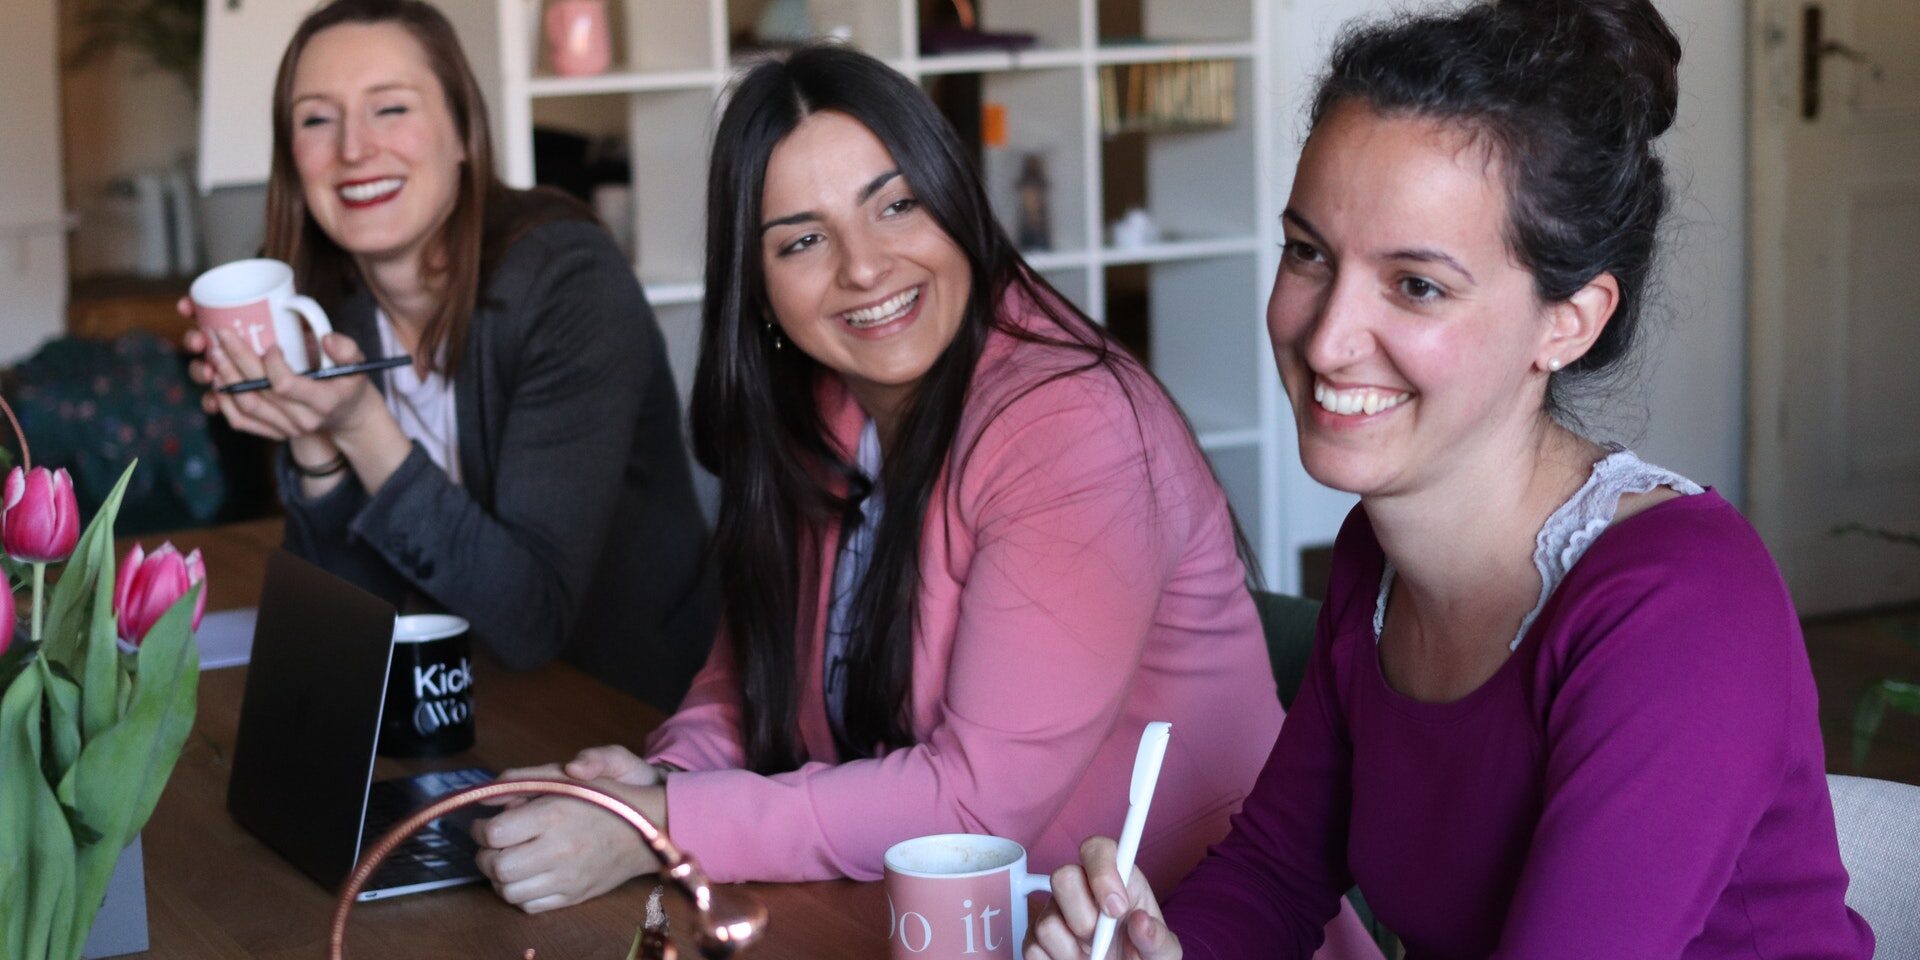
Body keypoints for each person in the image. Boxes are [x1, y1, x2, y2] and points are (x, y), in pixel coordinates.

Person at [465, 46, 1376, 956]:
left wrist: (659, 823)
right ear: (759, 284)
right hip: (940, 931)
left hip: (1174, 933)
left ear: (956, 202)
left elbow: (976, 803)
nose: (864, 267)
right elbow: (746, 681)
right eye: (803, 239)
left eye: (896, 204)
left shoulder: (1071, 426)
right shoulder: (823, 405)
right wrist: (654, 780)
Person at [1027, 0, 1877, 957]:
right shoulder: (1379, 557)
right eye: (1308, 252)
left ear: (1571, 321)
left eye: (1416, 284)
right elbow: (1273, 871)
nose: (1326, 335)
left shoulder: (1679, 612)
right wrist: (1160, 948)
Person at [185, 0, 716, 709]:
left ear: (464, 131)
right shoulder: (319, 304)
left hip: (625, 715)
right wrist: (314, 442)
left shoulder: (568, 283)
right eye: (317, 118)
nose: (353, 148)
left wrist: (360, 427)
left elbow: (530, 621)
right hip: (450, 704)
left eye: (391, 108)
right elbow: (350, 629)